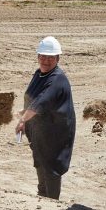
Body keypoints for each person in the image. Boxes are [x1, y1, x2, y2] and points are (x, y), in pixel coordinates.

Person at [14, 37, 76, 200]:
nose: (45, 60)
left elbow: (41, 102)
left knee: (51, 166)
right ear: (38, 57)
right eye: (42, 56)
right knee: (40, 160)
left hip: (56, 131)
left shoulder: (57, 79)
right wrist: (23, 114)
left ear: (57, 58)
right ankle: (42, 195)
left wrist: (22, 120)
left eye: (50, 57)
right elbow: (33, 99)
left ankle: (52, 201)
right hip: (41, 129)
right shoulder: (39, 74)